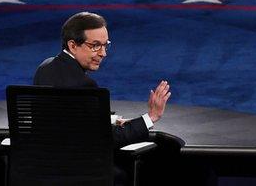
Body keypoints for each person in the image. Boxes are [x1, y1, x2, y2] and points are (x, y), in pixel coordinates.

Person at [34, 12, 171, 147]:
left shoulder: (45, 67)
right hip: (78, 166)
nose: (103, 53)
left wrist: (113, 120)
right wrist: (152, 116)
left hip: (39, 163)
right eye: (95, 45)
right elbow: (109, 138)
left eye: (105, 45)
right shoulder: (84, 85)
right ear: (73, 46)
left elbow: (65, 120)